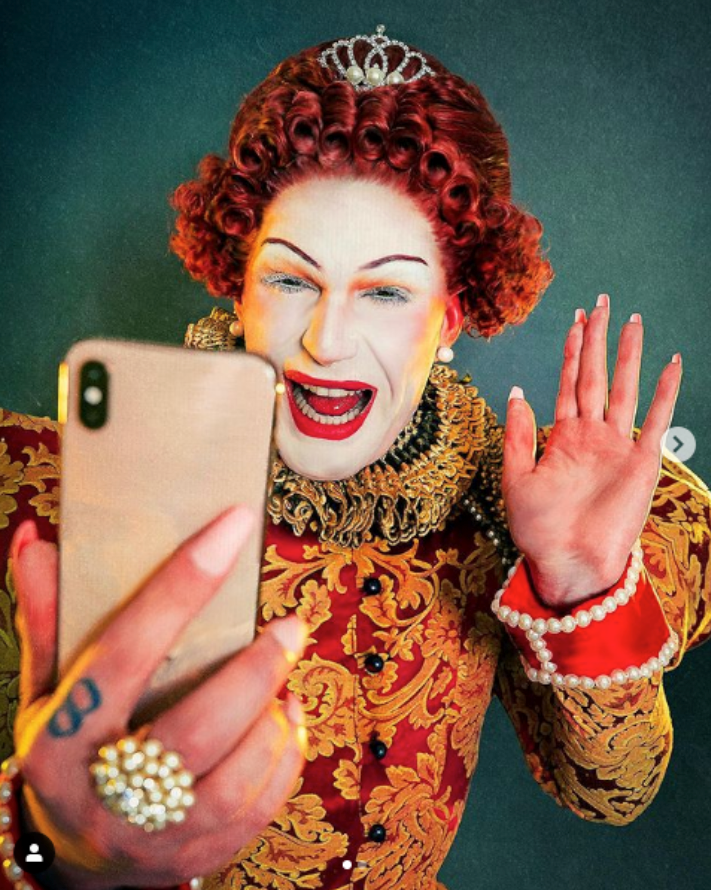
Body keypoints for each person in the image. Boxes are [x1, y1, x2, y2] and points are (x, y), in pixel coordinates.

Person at [0, 25, 709, 890]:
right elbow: (34, 853)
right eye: (292, 280)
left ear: (448, 320)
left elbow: (612, 794)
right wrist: (47, 852)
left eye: (384, 292)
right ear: (239, 285)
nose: (326, 340)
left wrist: (577, 584)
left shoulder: (507, 504)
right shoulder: (38, 491)